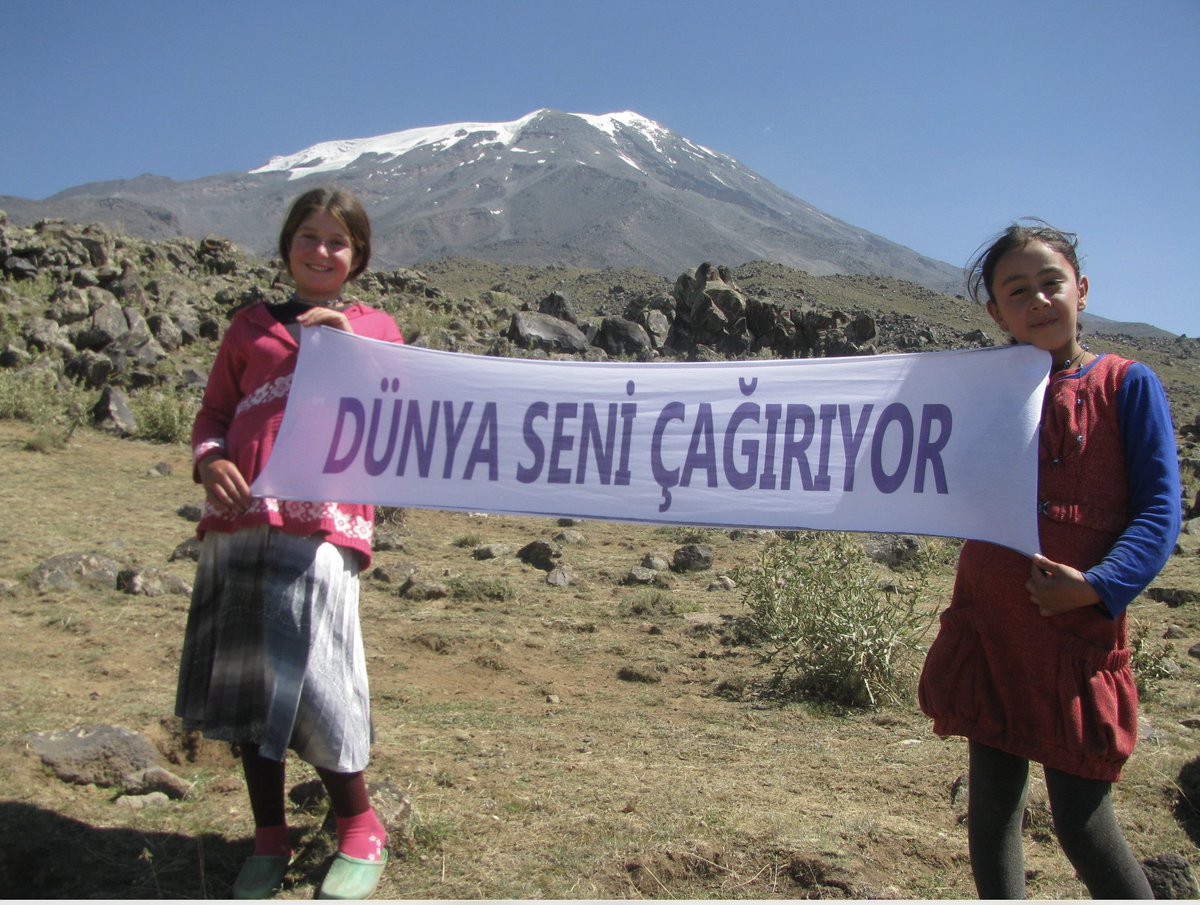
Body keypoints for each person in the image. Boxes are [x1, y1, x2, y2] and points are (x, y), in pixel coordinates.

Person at [918, 221, 1180, 898]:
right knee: (993, 806)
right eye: (1017, 290)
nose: (1037, 300)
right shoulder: (980, 392)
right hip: (993, 623)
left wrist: (1097, 587)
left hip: (1075, 633)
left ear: (1081, 290)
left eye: (1050, 283)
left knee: (1082, 820)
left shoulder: (1128, 385)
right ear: (995, 312)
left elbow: (1159, 512)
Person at [175, 187, 404, 900]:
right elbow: (213, 413)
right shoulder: (250, 326)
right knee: (248, 685)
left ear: (357, 257)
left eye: (338, 241)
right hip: (242, 525)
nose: (321, 251)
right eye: (309, 236)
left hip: (326, 528)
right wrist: (211, 460)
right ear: (287, 247)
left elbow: (399, 405)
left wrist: (347, 346)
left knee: (322, 675)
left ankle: (360, 824)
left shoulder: (377, 327)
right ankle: (268, 836)